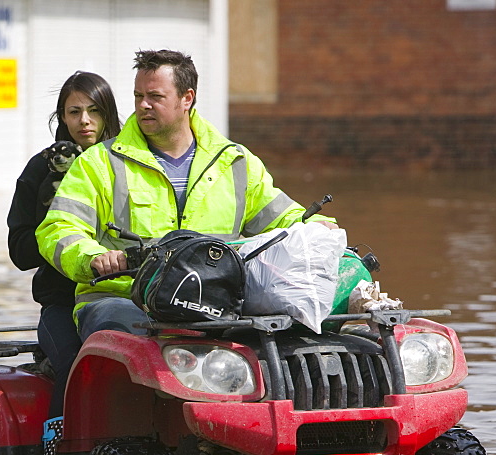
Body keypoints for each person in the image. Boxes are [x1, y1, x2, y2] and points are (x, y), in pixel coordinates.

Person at [36, 49, 338, 340]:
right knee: (136, 343)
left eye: (155, 97)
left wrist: (317, 231)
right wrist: (94, 258)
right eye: (139, 97)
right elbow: (59, 229)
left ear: (187, 98)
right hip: (121, 299)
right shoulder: (99, 162)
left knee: (293, 334)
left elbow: (283, 220)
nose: (143, 105)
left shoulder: (234, 161)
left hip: (213, 301)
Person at [6, 71, 121, 421]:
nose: (84, 121)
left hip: (123, 299)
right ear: (62, 116)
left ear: (108, 115)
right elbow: (19, 250)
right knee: (77, 365)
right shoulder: (41, 169)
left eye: (94, 110)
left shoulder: (131, 166)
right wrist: (57, 230)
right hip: (62, 302)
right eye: (74, 112)